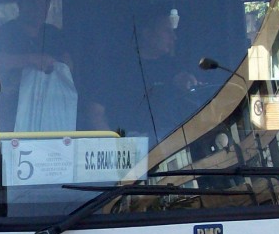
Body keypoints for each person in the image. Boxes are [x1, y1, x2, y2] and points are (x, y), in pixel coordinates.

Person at [83, 9, 197, 139]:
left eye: (173, 32)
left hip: (171, 147)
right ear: (147, 33)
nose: (173, 37)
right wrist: (115, 147)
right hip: (129, 145)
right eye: (167, 31)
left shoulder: (173, 67)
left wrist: (188, 83)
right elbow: (95, 113)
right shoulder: (116, 68)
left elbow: (184, 85)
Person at [0, 0, 75, 130]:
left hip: (50, 108)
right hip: (11, 111)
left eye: (43, 5)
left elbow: (69, 65)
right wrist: (31, 60)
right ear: (20, 4)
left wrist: (53, 63)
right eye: (33, 4)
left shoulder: (54, 34)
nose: (38, 10)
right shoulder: (7, 32)